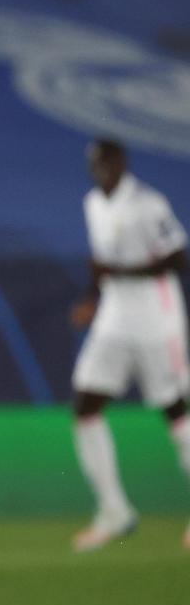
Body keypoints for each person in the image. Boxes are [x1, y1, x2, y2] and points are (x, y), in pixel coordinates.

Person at [68, 138, 190, 551]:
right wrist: (91, 296)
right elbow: (104, 261)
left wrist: (118, 271)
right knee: (85, 405)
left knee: (174, 409)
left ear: (122, 164)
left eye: (110, 162)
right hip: (115, 319)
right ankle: (114, 511)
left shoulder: (147, 203)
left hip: (158, 321)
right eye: (98, 163)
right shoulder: (93, 204)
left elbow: (178, 259)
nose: (104, 170)